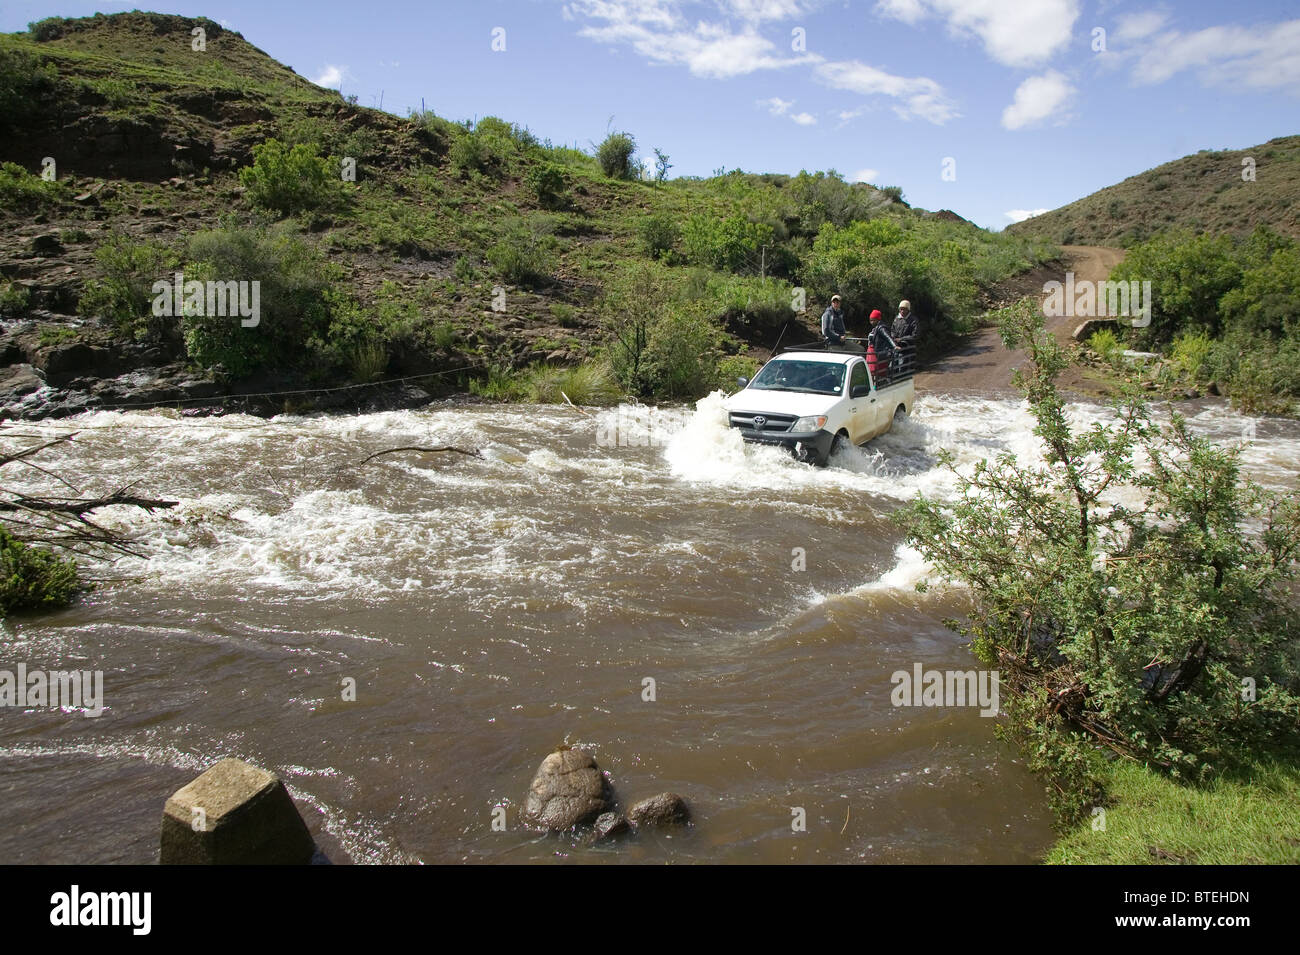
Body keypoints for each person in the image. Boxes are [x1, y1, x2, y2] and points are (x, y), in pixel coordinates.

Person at [866, 309, 896, 380]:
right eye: (870, 320)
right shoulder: (876, 328)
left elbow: (888, 337)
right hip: (873, 351)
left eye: (873, 320)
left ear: (878, 319)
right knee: (873, 369)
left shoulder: (881, 328)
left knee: (874, 369)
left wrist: (894, 345)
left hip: (875, 351)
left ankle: (877, 383)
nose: (871, 322)